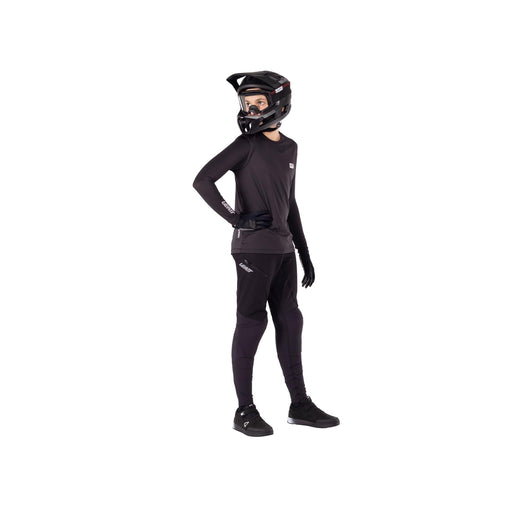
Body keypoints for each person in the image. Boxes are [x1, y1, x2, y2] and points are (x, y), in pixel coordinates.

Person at [193, 70, 339, 436]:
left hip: (283, 250)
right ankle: (244, 410)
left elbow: (289, 202)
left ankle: (300, 404)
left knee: (290, 321)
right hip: (252, 250)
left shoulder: (290, 148)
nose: (252, 109)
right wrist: (235, 218)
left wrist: (304, 251)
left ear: (279, 104)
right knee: (252, 322)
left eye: (259, 102)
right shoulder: (245, 145)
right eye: (247, 103)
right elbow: (202, 180)